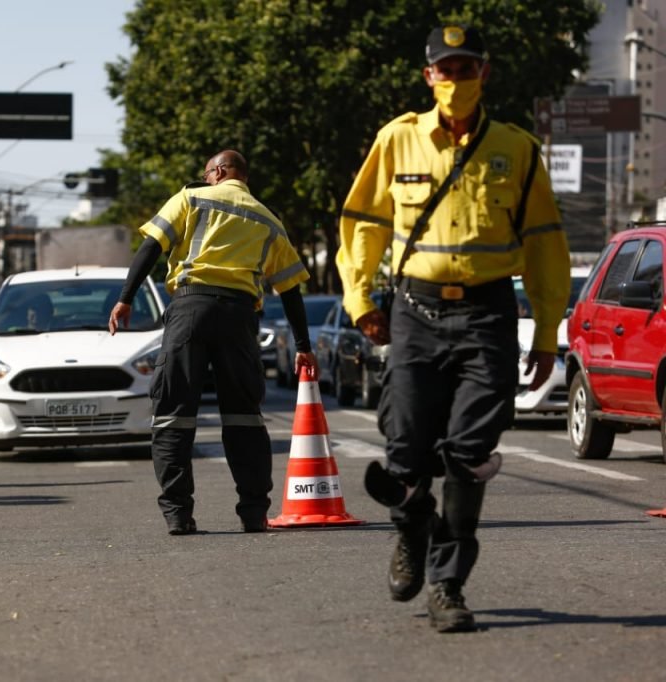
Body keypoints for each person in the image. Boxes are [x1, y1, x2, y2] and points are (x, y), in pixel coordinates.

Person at [336, 26, 570, 632]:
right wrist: (360, 295)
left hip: (488, 313)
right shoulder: (399, 139)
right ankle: (413, 534)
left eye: (467, 69)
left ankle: (447, 584)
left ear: (483, 74)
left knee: (469, 453)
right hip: (415, 312)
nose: (457, 79)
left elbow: (546, 244)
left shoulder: (517, 148)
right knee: (406, 449)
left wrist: (547, 331)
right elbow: (363, 221)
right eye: (447, 69)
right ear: (429, 76)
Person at [109, 150, 319, 536]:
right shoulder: (268, 219)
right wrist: (304, 345)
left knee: (174, 413)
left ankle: (178, 514)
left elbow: (152, 246)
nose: (205, 179)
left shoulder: (190, 198)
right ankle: (254, 514)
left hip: (191, 308)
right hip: (240, 318)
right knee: (245, 417)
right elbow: (290, 289)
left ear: (219, 172)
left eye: (207, 174)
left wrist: (126, 297)